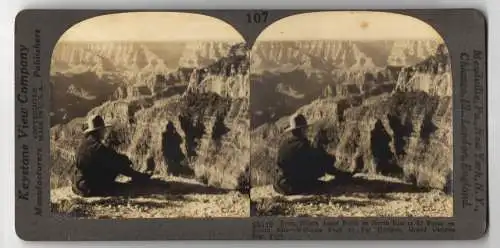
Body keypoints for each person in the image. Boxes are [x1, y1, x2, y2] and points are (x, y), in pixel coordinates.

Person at [72, 115, 152, 197]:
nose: (105, 132)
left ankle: (136, 177)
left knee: (112, 162)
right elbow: (115, 160)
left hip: (77, 185)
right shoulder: (97, 147)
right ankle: (139, 178)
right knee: (117, 163)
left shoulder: (83, 144)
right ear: (100, 130)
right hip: (89, 188)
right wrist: (125, 161)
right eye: (103, 130)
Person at [273, 113, 353, 195]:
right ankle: (343, 176)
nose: (307, 130)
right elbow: (320, 161)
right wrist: (331, 160)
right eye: (306, 128)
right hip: (293, 186)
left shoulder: (284, 144)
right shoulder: (303, 145)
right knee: (322, 178)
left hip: (279, 185)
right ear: (302, 129)